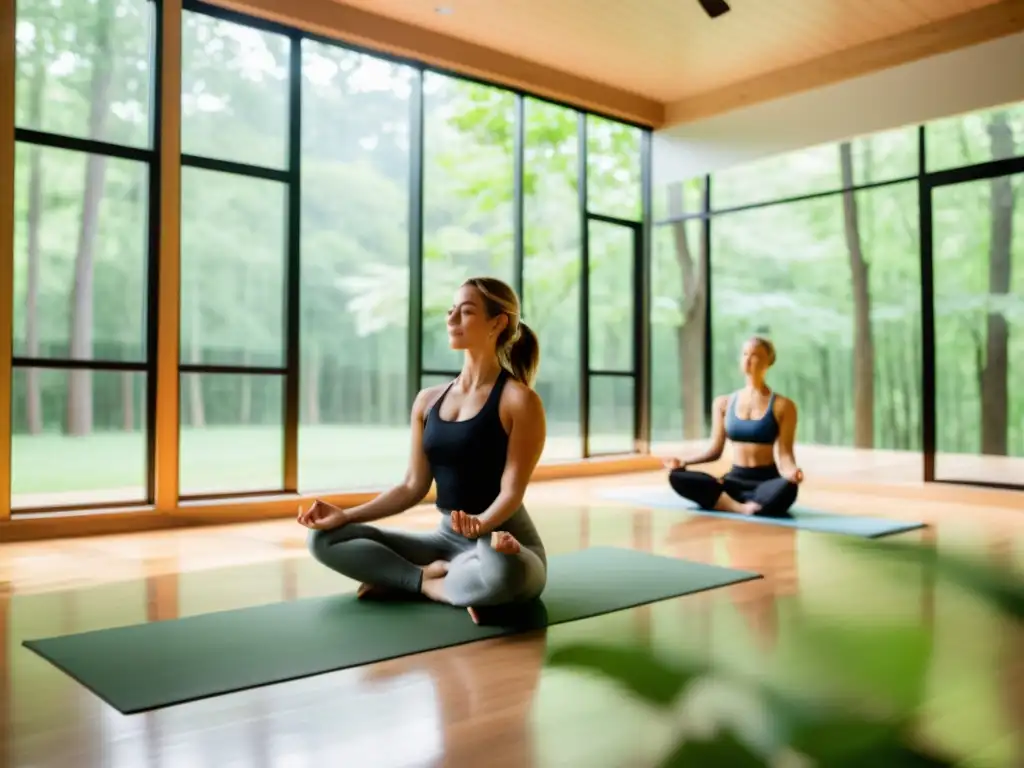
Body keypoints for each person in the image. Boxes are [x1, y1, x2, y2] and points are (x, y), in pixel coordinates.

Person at [297, 277, 548, 625]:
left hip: (501, 540)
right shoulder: (428, 401)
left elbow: (512, 491)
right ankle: (430, 584)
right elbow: (412, 486)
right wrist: (347, 516)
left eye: (466, 311)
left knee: (505, 572)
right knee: (323, 540)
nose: (452, 319)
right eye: (451, 311)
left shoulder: (519, 401)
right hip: (443, 541)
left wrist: (483, 525)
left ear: (498, 322)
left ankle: (411, 581)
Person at [662, 336, 803, 517]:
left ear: (769, 361)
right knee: (677, 476)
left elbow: (785, 454)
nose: (748, 360)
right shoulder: (723, 403)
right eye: (745, 354)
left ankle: (727, 502)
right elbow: (714, 450)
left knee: (788, 487)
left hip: (766, 480)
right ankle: (740, 507)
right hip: (733, 480)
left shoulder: (783, 406)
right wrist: (684, 462)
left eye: (756, 355)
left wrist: (793, 472)